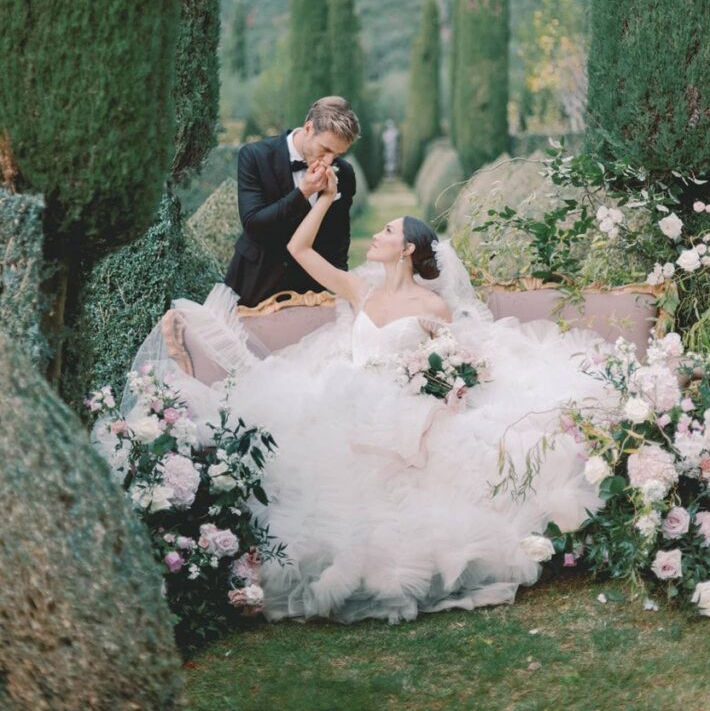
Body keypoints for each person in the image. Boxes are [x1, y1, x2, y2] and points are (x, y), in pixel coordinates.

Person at [117, 166, 616, 625]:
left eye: (387, 231)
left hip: (404, 409)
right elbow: (299, 250)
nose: (376, 236)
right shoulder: (361, 290)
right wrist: (324, 200)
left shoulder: (433, 306)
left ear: (406, 249)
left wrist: (441, 381)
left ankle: (385, 566)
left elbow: (455, 360)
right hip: (347, 398)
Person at [224, 96, 359, 307]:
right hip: (254, 282)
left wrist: (341, 290)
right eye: (325, 149)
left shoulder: (345, 173)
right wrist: (303, 192)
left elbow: (339, 239)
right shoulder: (255, 156)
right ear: (308, 128)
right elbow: (253, 224)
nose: (330, 161)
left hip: (310, 290)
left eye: (338, 154)